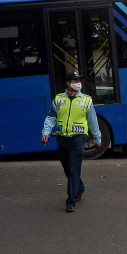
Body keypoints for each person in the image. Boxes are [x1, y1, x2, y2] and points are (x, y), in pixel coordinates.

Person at [41, 71, 101, 213]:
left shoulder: (86, 100)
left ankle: (71, 201)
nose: (78, 83)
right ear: (68, 83)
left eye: (79, 80)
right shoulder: (58, 99)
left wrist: (97, 138)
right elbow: (51, 117)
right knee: (67, 168)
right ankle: (79, 187)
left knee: (74, 169)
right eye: (75, 80)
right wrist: (45, 132)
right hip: (62, 139)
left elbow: (93, 121)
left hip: (78, 139)